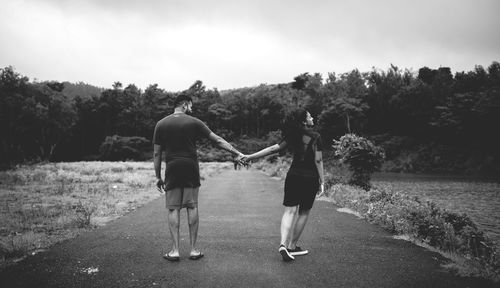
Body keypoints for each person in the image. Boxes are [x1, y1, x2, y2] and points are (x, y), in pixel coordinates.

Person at [153, 93, 244, 261]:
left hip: (172, 167)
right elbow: (217, 140)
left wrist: (158, 176)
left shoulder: (161, 124)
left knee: (173, 208)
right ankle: (193, 250)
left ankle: (175, 251)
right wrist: (237, 152)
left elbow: (157, 153)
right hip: (190, 167)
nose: (191, 109)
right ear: (185, 105)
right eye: (191, 106)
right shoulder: (194, 122)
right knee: (192, 206)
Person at [243, 109, 324, 262]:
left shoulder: (292, 135)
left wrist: (250, 157)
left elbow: (274, 149)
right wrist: (322, 181)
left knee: (289, 211)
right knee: (304, 212)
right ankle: (292, 246)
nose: (312, 117)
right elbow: (318, 160)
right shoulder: (316, 136)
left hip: (293, 176)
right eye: (309, 116)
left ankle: (282, 244)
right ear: (303, 120)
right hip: (310, 178)